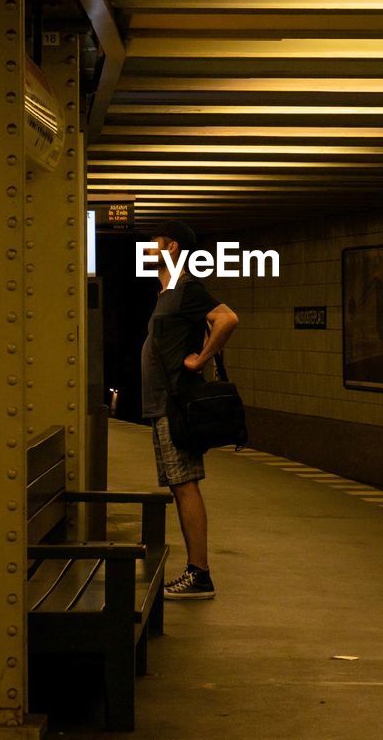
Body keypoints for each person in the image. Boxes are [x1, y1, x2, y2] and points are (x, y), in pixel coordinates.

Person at [141, 220, 240, 600]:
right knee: (178, 487)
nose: (148, 250)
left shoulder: (186, 289)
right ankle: (196, 571)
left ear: (173, 247)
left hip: (176, 406)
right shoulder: (166, 293)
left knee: (185, 486)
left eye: (155, 243)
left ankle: (200, 573)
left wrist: (201, 359)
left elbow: (227, 318)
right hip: (161, 406)